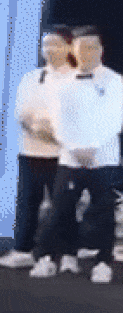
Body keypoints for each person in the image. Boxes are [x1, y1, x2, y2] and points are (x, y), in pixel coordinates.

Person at [29, 25, 123, 284]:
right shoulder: (65, 84)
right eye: (82, 47)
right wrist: (75, 147)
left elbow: (114, 120)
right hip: (70, 159)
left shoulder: (114, 81)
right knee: (59, 209)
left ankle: (103, 263)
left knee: (104, 212)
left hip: (103, 159)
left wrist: (92, 146)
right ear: (73, 49)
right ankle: (47, 258)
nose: (87, 52)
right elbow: (59, 121)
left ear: (101, 50)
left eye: (93, 47)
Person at [0, 26, 74, 269]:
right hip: (30, 150)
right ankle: (23, 248)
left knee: (63, 204)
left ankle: (66, 253)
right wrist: (34, 127)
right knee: (27, 201)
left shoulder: (76, 78)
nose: (50, 49)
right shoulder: (32, 77)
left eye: (56, 44)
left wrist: (54, 132)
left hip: (62, 154)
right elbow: (21, 111)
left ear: (69, 46)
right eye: (46, 45)